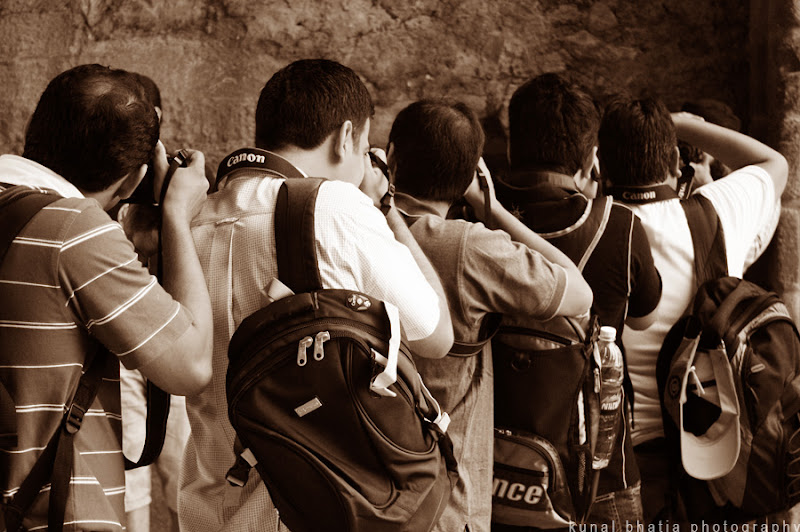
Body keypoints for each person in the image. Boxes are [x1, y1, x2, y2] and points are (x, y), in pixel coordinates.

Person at [178, 59, 454, 532]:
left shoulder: (191, 217)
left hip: (207, 504)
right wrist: (384, 209)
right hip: (312, 510)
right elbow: (435, 335)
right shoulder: (331, 206)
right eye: (364, 148)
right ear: (346, 137)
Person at [0, 64, 213, 531]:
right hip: (48, 514)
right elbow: (191, 365)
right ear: (136, 177)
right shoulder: (74, 231)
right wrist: (177, 215)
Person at [387, 99, 593, 532]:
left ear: (390, 157)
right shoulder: (470, 247)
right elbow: (578, 293)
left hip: (366, 489)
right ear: (469, 177)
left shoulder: (355, 225)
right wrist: (493, 210)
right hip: (447, 500)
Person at [597, 96, 787, 524]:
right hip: (718, 452)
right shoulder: (718, 212)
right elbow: (774, 163)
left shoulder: (595, 229)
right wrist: (682, 124)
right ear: (673, 162)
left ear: (600, 167)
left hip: (625, 464)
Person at [494, 73, 662, 529]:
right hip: (601, 472)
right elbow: (644, 318)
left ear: (510, 150)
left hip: (499, 470)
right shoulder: (620, 227)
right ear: (591, 159)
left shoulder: (476, 219)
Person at [117, 72, 194, 532]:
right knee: (129, 471)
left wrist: (173, 201)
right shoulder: (99, 181)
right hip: (120, 347)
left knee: (180, 472)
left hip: (172, 340)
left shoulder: (181, 183)